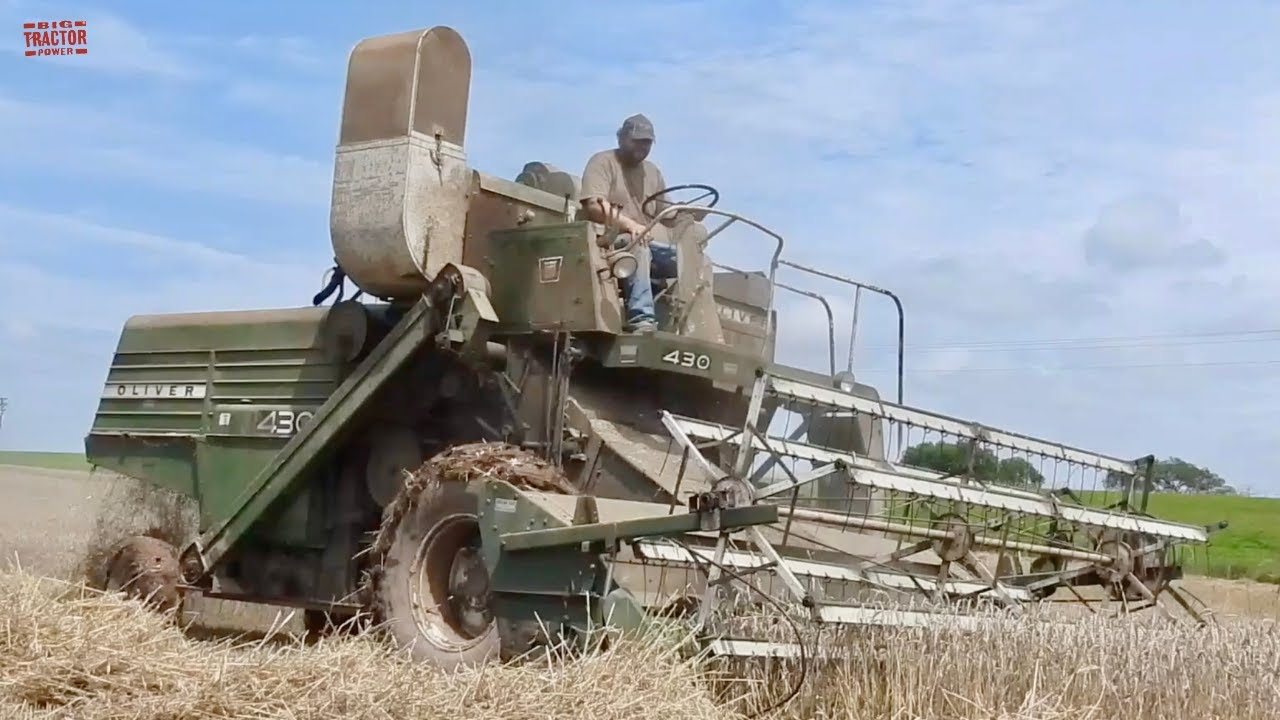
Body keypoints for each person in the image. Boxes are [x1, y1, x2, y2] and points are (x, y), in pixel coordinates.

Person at [579, 113, 676, 333]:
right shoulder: (603, 162)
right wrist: (631, 226)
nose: (642, 147)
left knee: (689, 259)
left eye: (647, 143)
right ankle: (642, 319)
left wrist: (687, 214)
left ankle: (686, 324)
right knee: (638, 246)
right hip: (608, 243)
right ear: (621, 138)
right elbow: (594, 206)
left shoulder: (653, 172)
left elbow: (667, 215)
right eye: (637, 141)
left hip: (646, 243)